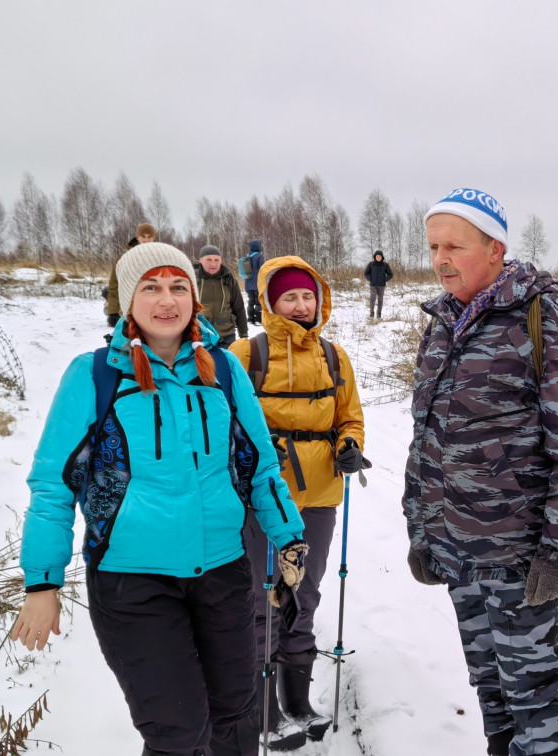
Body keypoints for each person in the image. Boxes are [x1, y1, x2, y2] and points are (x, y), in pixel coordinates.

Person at [14, 242, 307, 756]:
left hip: (222, 570)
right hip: (133, 583)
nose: (166, 300)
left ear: (195, 298)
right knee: (177, 730)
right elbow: (53, 485)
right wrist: (43, 580)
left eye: (178, 287)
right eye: (150, 287)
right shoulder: (95, 375)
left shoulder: (223, 369)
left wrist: (288, 539)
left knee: (236, 711)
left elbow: (259, 464)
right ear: (129, 300)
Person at [402, 188, 558, 756]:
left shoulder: (548, 319)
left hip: (519, 557)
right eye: (433, 247)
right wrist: (422, 528)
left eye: (454, 246)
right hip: (457, 550)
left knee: (536, 696)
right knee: (491, 686)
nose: (440, 259)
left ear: (495, 248)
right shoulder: (444, 322)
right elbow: (427, 435)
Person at [228, 256, 366, 749]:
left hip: (322, 496)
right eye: (290, 296)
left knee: (304, 595)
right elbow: (228, 423)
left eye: (308, 295)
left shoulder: (335, 356)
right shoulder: (246, 354)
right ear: (270, 302)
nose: (302, 305)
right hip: (264, 499)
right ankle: (262, 711)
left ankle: (297, 703)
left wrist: (350, 445)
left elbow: (350, 416)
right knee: (263, 597)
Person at [195, 245, 248, 348]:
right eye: (209, 260)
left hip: (226, 337)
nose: (213, 264)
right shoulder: (192, 279)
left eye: (216, 260)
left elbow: (239, 309)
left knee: (227, 364)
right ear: (200, 260)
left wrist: (243, 335)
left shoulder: (229, 280)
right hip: (199, 337)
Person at [106, 223, 156, 326]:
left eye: (149, 237)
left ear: (153, 238)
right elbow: (114, 285)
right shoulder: (123, 258)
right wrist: (113, 312)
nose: (146, 240)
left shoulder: (160, 257)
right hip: (129, 306)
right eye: (143, 236)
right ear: (137, 237)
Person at [363, 250, 394, 319]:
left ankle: (379, 314)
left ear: (382, 257)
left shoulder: (385, 265)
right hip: (373, 285)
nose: (378, 257)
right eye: (377, 256)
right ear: (375, 257)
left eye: (379, 256)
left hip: (381, 285)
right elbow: (366, 273)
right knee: (372, 299)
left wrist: (385, 279)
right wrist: (370, 279)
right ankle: (371, 314)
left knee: (380, 300)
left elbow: (390, 274)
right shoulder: (371, 264)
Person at [242, 240, 265, 325]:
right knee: (259, 301)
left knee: (251, 302)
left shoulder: (248, 256)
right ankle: (258, 319)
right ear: (257, 246)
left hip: (248, 283)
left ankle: (250, 319)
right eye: (261, 245)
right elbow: (262, 269)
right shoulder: (259, 256)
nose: (262, 246)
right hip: (257, 283)